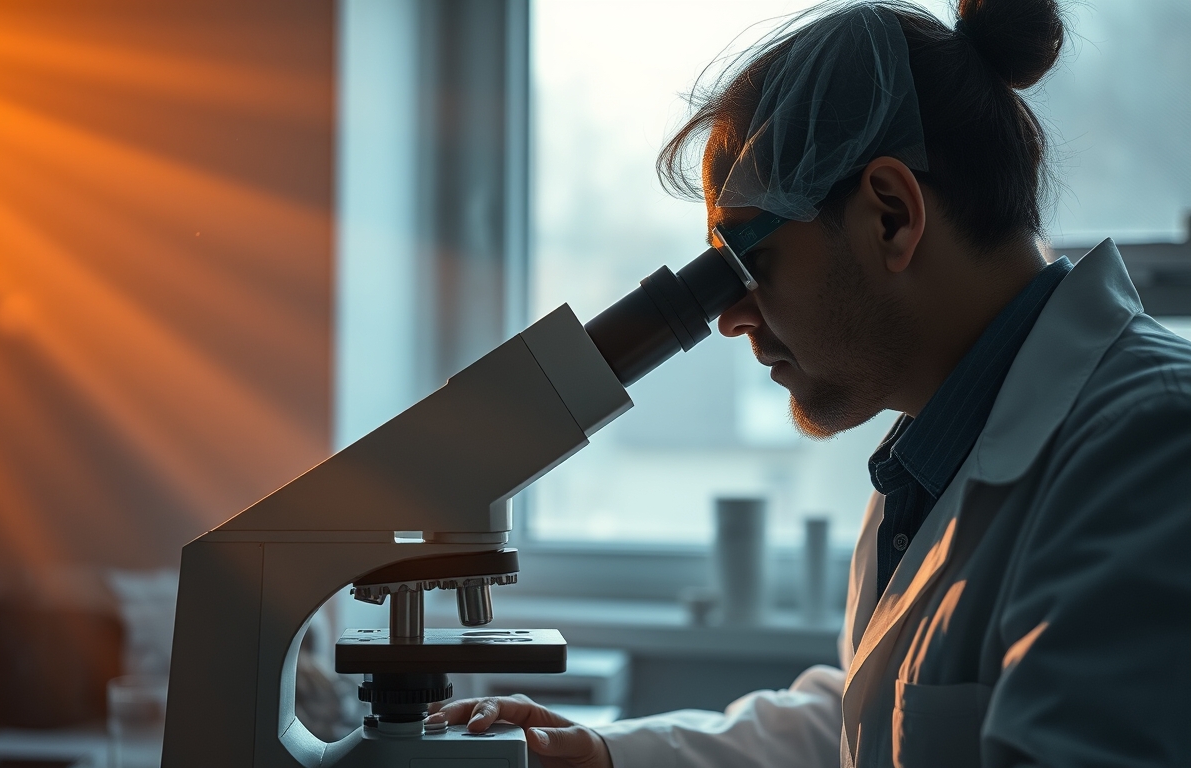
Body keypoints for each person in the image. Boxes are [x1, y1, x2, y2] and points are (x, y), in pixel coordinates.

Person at [430, 0, 1191, 765]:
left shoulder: (1151, 445)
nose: (728, 319)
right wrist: (597, 756)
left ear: (891, 215)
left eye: (748, 264)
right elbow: (869, 723)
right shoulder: (934, 452)